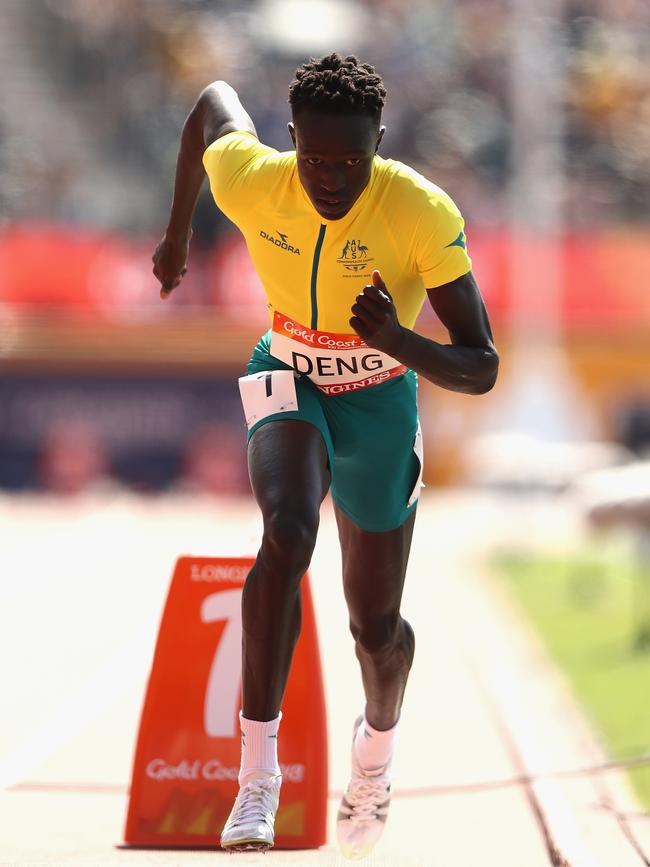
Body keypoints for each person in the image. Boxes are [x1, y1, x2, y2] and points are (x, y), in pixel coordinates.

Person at [152, 52, 498, 859]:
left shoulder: (419, 210)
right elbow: (209, 103)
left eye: (351, 160)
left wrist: (399, 340)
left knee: (375, 629)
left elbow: (480, 365)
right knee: (287, 532)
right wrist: (174, 236)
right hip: (286, 371)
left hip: (379, 394)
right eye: (315, 157)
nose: (331, 178)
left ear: (380, 140)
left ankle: (373, 762)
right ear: (292, 138)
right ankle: (259, 775)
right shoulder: (257, 178)